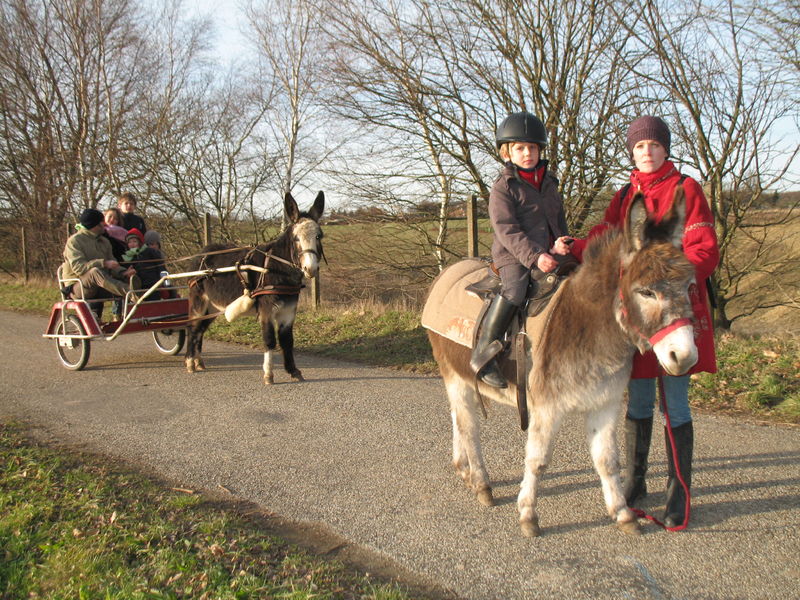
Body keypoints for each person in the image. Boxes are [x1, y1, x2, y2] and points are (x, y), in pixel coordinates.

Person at [569, 115, 719, 528]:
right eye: (639, 146)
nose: (647, 152)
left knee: (675, 403)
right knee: (636, 402)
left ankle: (679, 495)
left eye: (653, 145)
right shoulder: (625, 194)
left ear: (666, 149)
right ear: (632, 152)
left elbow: (704, 248)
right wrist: (577, 245)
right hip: (637, 319)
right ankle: (635, 486)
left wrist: (665, 273)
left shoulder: (686, 189)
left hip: (674, 313)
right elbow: (606, 234)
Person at [471, 111, 573, 389]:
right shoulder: (504, 187)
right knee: (515, 290)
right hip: (513, 253)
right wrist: (535, 256)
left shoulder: (550, 183)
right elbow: (506, 229)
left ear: (540, 150)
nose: (527, 153)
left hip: (549, 251)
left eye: (532, 147)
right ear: (507, 153)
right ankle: (484, 353)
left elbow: (558, 219)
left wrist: (561, 242)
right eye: (520, 148)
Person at [61, 208, 139, 318]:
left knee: (129, 275)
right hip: (78, 288)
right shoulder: (74, 241)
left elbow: (113, 265)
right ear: (94, 225)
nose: (105, 224)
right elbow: (79, 268)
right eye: (102, 222)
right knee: (95, 272)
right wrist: (103, 263)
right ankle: (132, 293)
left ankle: (145, 298)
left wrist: (124, 272)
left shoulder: (105, 241)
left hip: (101, 285)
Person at [122, 228, 163, 292]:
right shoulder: (127, 257)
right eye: (129, 242)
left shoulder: (149, 252)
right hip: (138, 287)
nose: (132, 244)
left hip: (153, 284)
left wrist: (165, 283)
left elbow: (161, 267)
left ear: (140, 242)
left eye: (134, 241)